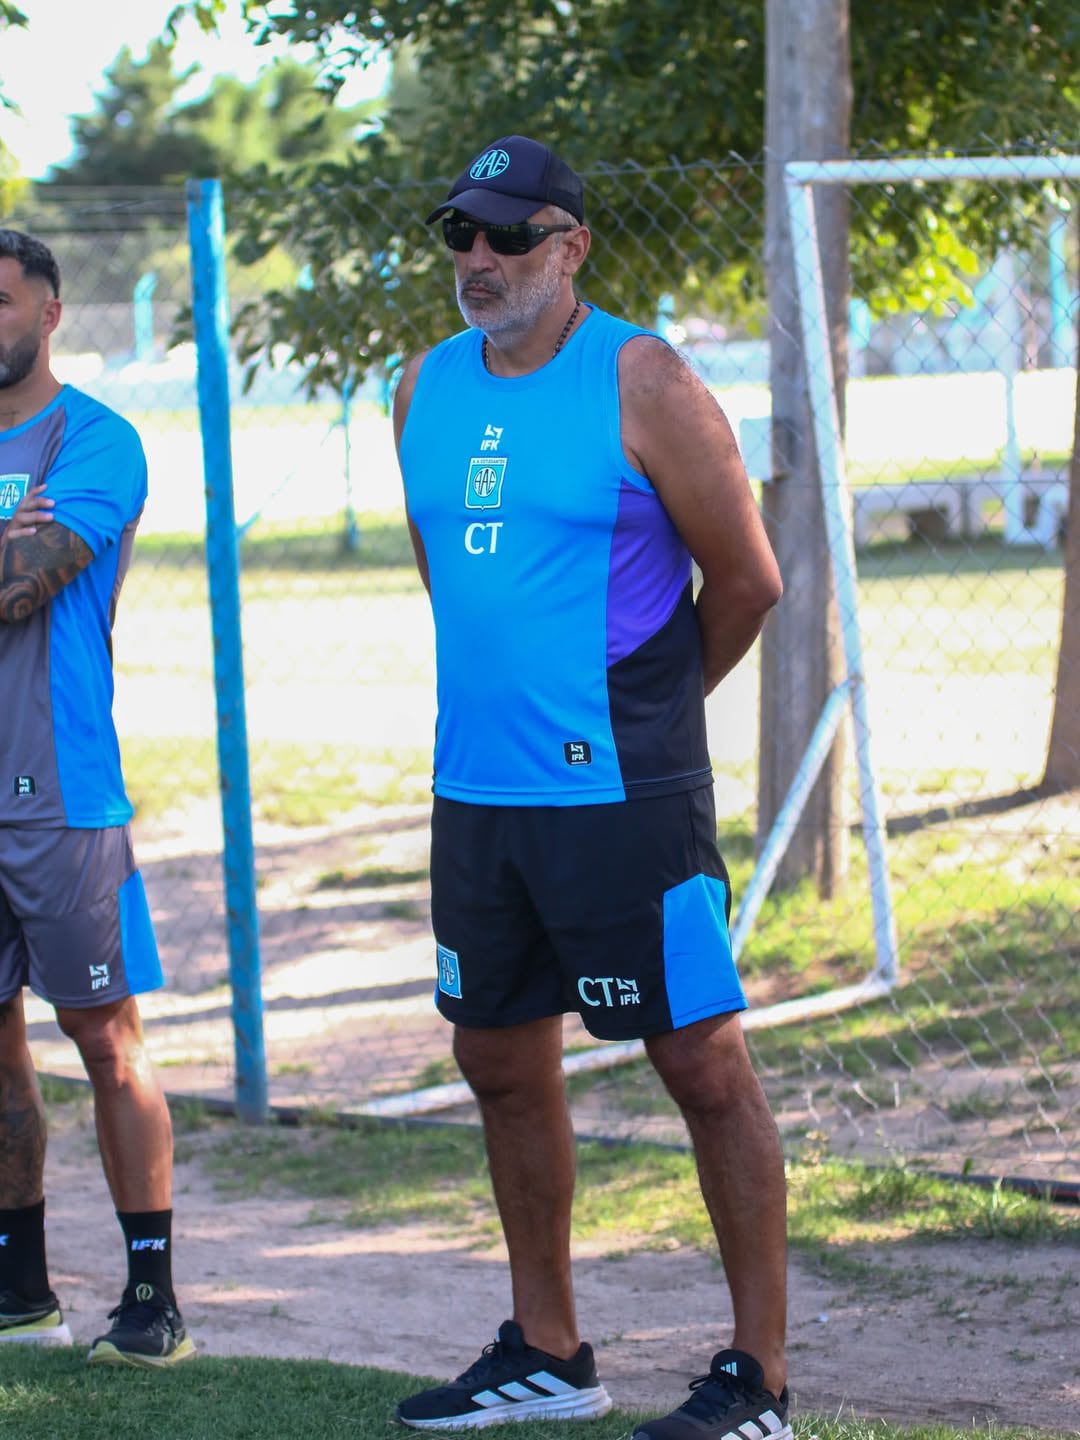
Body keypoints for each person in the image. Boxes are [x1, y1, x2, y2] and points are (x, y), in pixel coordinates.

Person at [391, 136, 789, 1439]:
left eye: (509, 235)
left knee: (702, 1065)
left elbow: (748, 582)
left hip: (624, 794)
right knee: (498, 1062)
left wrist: (650, 716)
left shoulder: (645, 378)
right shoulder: (420, 388)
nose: (479, 257)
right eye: (461, 233)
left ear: (571, 246)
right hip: (477, 793)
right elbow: (452, 579)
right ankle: (550, 1354)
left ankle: (760, 1380)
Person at [0, 228, 194, 1369]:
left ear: (50, 312)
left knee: (105, 1038)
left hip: (62, 792)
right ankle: (21, 1296)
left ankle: (151, 1301)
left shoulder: (97, 440)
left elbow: (23, 586)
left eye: (0, 300)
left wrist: (14, 551)